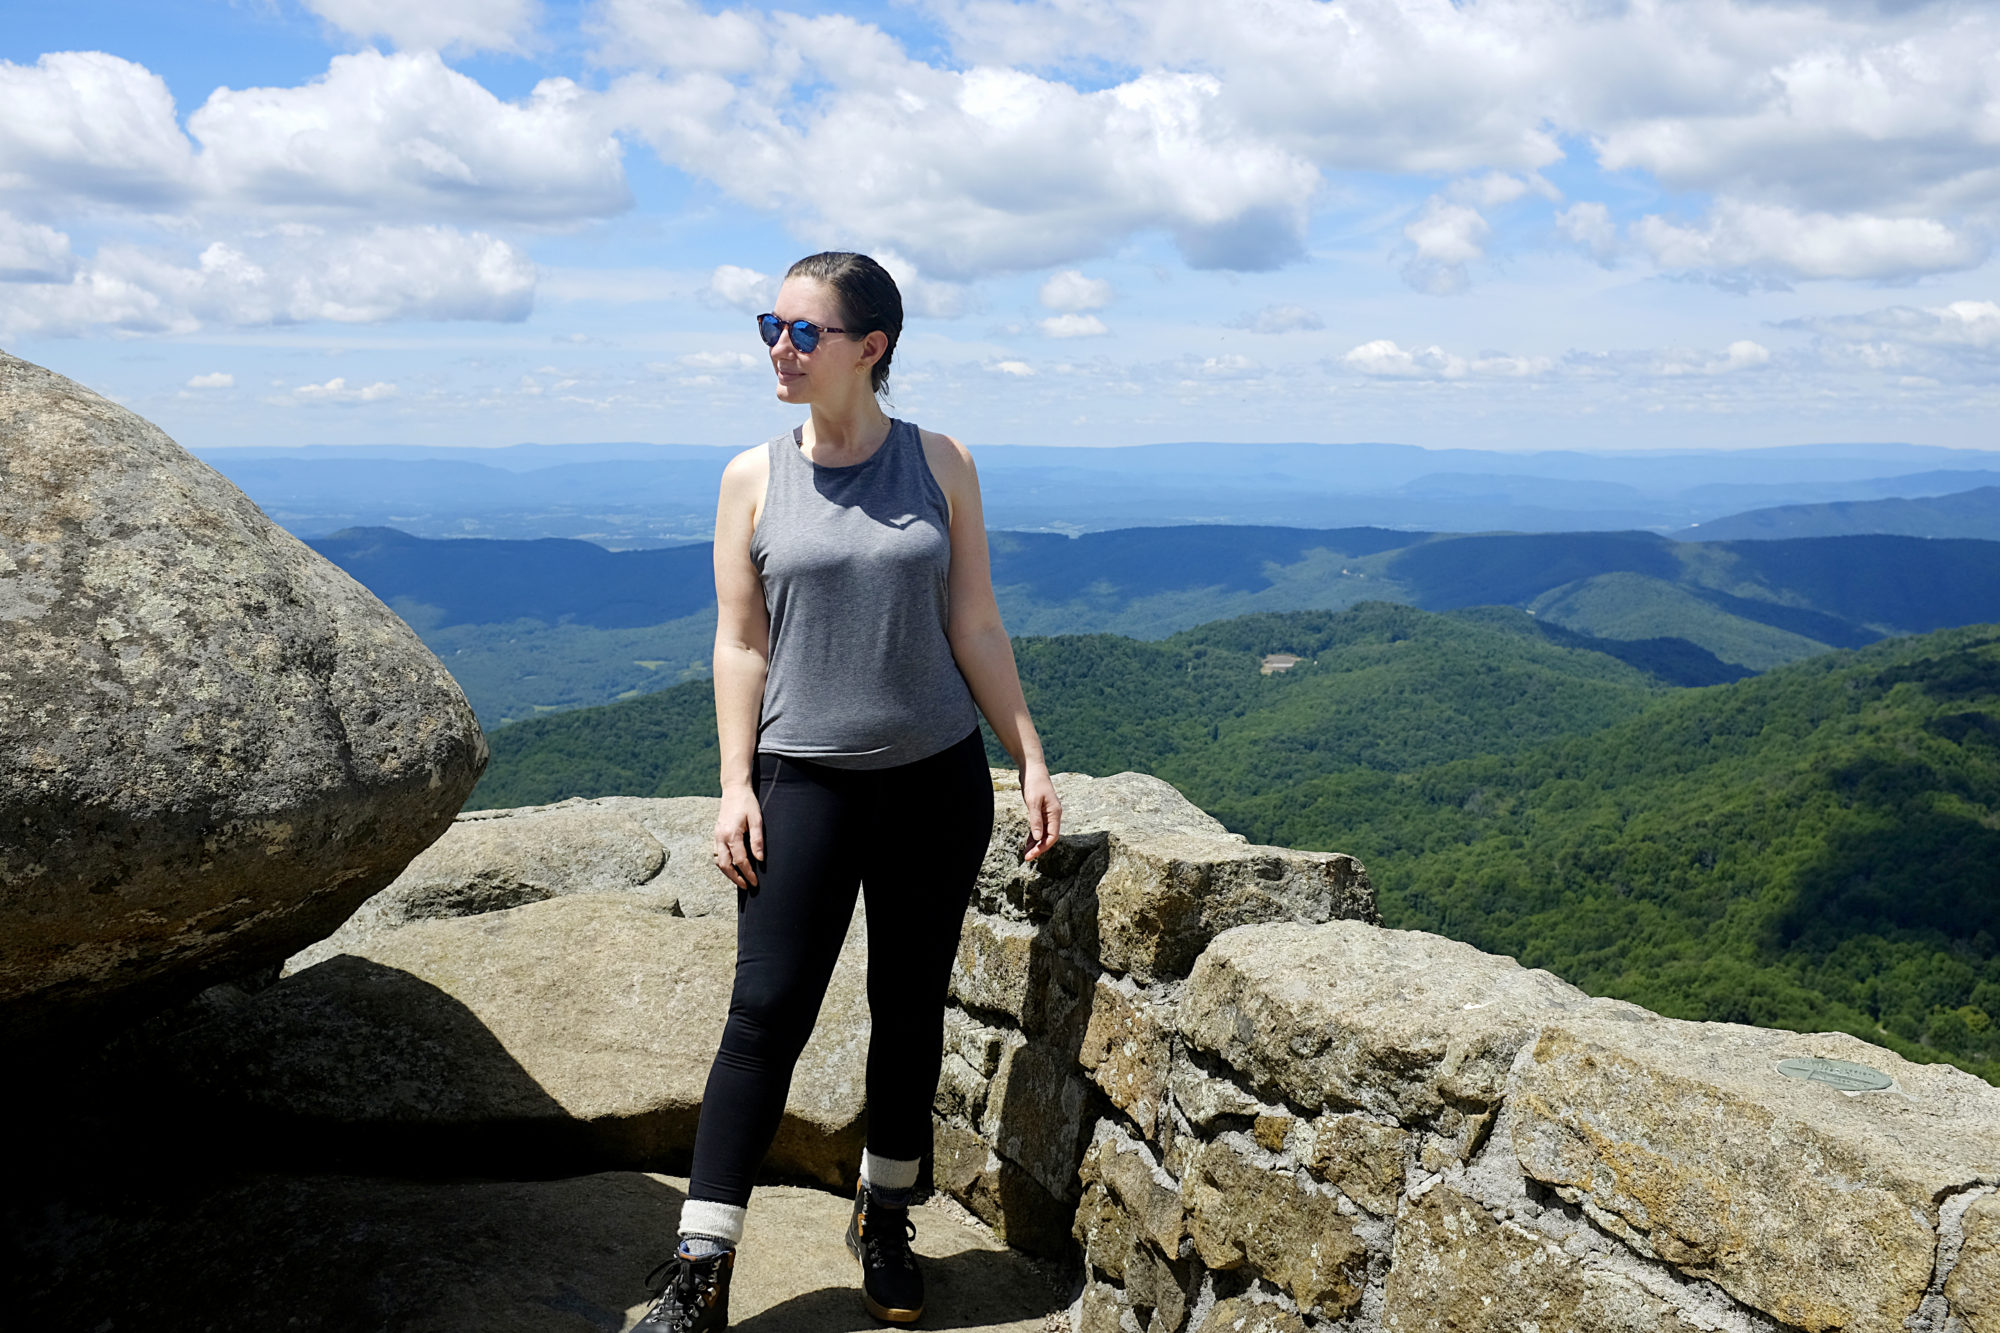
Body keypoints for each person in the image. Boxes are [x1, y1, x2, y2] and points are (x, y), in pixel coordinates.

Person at [637, 251, 1062, 1331]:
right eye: (768, 327)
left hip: (934, 780)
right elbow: (739, 642)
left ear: (869, 347)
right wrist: (734, 784)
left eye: (802, 331)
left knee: (906, 1007)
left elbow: (972, 619)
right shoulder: (750, 476)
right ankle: (700, 1262)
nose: (779, 348)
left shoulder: (942, 462)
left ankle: (884, 1213)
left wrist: (1027, 754)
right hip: (801, 781)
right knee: (763, 1014)